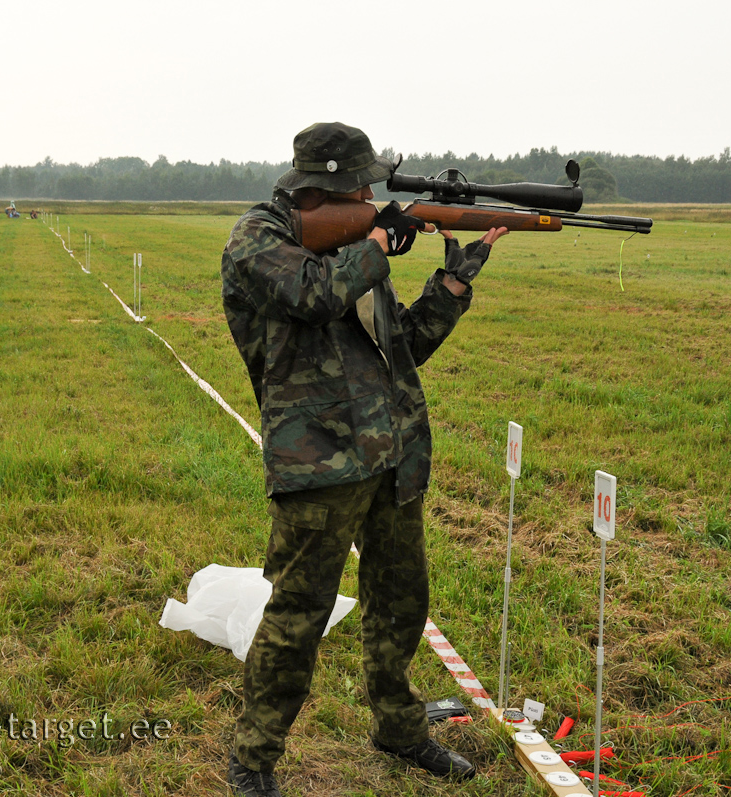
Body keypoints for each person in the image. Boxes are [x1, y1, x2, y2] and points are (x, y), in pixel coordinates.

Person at [220, 122, 507, 797]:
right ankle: (254, 760)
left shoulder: (351, 244)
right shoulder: (258, 239)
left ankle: (399, 727)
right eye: (364, 185)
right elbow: (312, 295)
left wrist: (453, 284)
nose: (374, 194)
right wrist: (378, 241)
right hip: (318, 462)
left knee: (401, 602)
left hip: (391, 454)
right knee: (297, 617)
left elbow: (400, 343)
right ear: (328, 185)